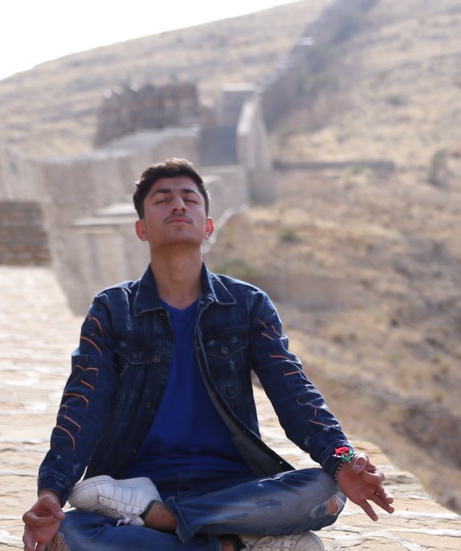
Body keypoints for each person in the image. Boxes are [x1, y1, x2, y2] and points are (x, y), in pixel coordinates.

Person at [22, 158, 394, 551]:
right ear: (141, 229)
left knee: (324, 490)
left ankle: (163, 520)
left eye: (189, 199)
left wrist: (342, 458)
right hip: (138, 481)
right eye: (163, 200)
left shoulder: (248, 304)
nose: (178, 206)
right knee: (69, 533)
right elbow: (83, 406)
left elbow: (295, 394)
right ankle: (232, 544)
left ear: (208, 225)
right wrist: (52, 490)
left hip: (233, 486)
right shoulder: (113, 309)